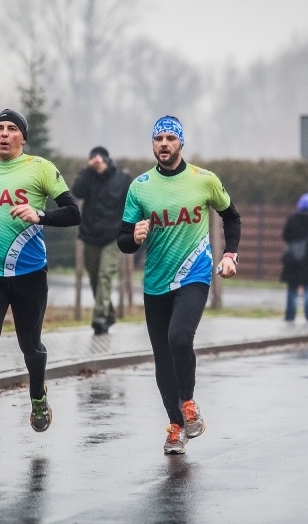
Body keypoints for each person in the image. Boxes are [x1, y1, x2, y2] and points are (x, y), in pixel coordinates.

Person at [0, 108, 81, 451]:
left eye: (11, 129)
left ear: (23, 137)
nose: (4, 134)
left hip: (30, 274)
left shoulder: (41, 169)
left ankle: (38, 396)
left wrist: (39, 214)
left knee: (31, 348)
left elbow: (73, 212)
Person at [117, 115, 241, 455]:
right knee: (162, 359)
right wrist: (134, 237)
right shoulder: (140, 186)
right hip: (156, 282)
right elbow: (123, 239)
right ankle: (176, 426)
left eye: (171, 138)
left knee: (179, 338)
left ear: (181, 143)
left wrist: (231, 255)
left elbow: (231, 216)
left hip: (194, 275)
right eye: (158, 139)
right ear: (153, 145)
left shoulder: (204, 180)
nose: (164, 144)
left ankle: (188, 403)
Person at [71, 146, 132, 335]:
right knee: (94, 278)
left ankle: (98, 317)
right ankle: (110, 315)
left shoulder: (122, 180)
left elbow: (133, 204)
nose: (96, 162)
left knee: (105, 275)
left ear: (106, 160)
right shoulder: (88, 178)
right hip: (90, 236)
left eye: (98, 159)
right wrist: (88, 170)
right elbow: (77, 191)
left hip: (113, 237)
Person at [280, 193, 308, 323]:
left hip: (293, 259)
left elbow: (285, 236)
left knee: (292, 288)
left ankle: (290, 316)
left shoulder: (292, 219)